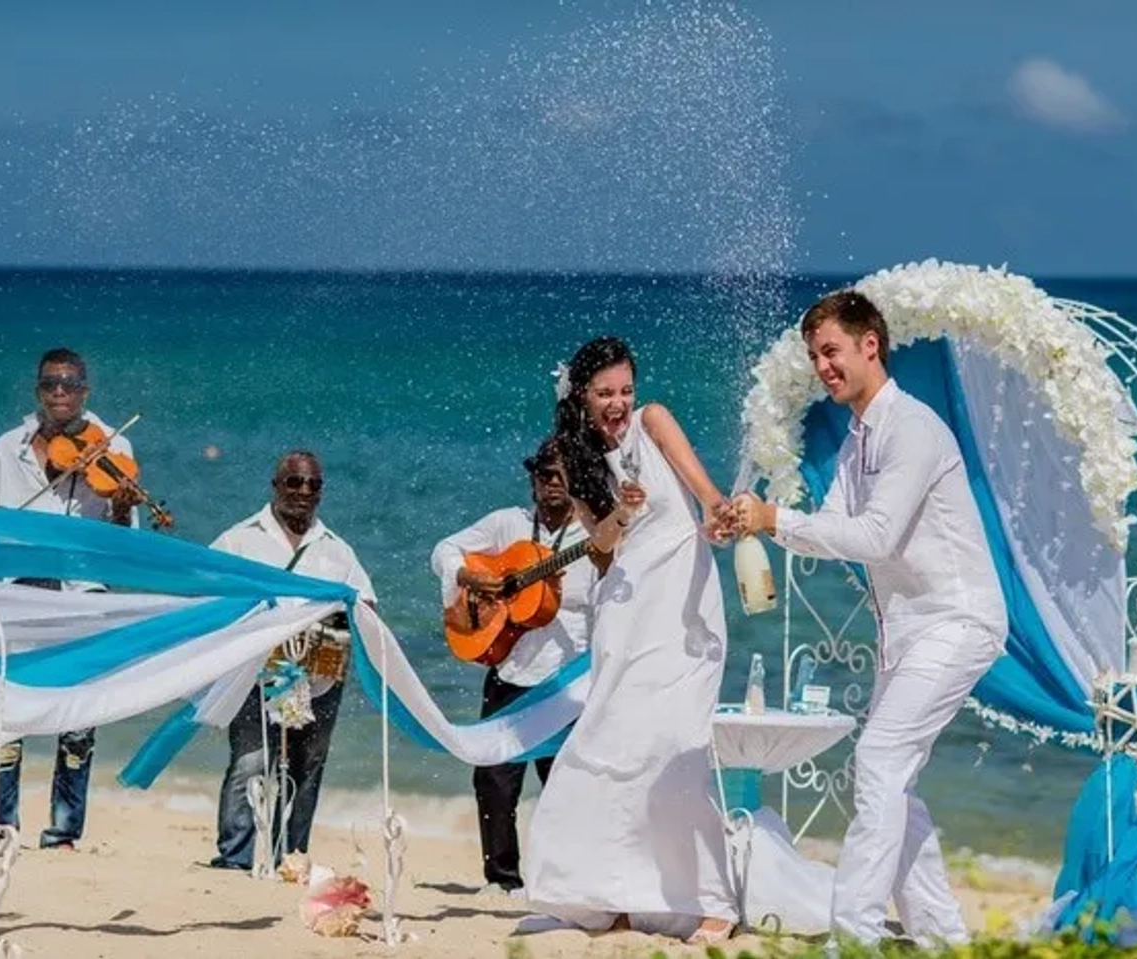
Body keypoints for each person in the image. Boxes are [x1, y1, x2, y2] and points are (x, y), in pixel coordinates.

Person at [732, 290, 1008, 947]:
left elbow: (876, 536)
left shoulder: (911, 427)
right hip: (907, 633)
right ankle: (942, 936)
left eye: (831, 350)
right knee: (893, 777)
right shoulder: (859, 439)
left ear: (870, 345)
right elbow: (834, 526)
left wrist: (775, 519)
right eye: (814, 356)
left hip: (958, 617)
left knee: (880, 757)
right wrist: (758, 522)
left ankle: (851, 934)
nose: (822, 366)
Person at [523, 336, 738, 945]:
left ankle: (712, 901)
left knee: (677, 740)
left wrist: (721, 514)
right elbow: (602, 546)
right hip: (625, 605)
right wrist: (620, 509)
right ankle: (611, 896)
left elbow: (705, 491)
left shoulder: (654, 420)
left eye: (624, 390)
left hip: (682, 596)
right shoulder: (575, 451)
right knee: (611, 741)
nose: (618, 403)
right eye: (604, 394)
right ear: (582, 398)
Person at [0, 347, 140, 850]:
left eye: (70, 384)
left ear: (85, 391)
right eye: (50, 384)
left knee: (77, 714)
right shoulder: (7, 447)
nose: (60, 392)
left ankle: (63, 832)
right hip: (17, 586)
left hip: (82, 589)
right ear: (38, 390)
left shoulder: (114, 446)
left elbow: (125, 535)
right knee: (5, 709)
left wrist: (120, 508)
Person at [431, 438, 597, 898]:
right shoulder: (508, 525)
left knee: (565, 783)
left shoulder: (593, 538)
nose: (554, 484)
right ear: (533, 480)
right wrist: (469, 577)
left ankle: (562, 880)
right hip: (511, 673)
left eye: (563, 475)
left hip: (568, 682)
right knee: (494, 779)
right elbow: (444, 550)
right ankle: (502, 879)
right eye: (545, 474)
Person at [207, 450, 378, 874]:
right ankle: (235, 856)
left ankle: (291, 855)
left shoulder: (338, 550)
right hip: (255, 669)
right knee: (251, 761)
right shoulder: (239, 539)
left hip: (321, 669)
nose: (303, 492)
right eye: (294, 483)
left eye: (313, 485)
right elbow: (208, 591)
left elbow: (367, 603)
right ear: (276, 486)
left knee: (308, 764)